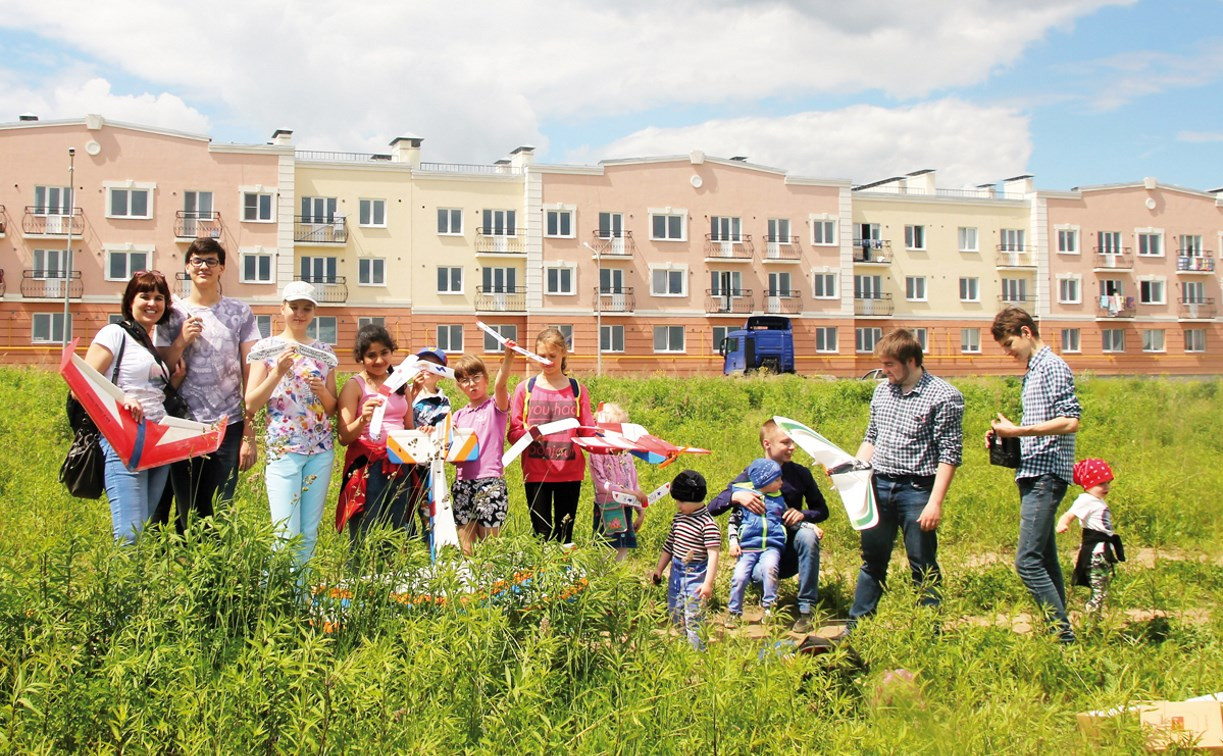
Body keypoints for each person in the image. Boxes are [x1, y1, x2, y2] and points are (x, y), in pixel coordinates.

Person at [848, 329, 964, 629]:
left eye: (889, 365)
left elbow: (949, 455)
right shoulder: (882, 392)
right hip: (879, 485)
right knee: (872, 560)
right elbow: (872, 436)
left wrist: (935, 503)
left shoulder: (944, 396)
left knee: (922, 563)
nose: (883, 371)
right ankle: (858, 628)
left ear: (911, 361)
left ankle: (928, 631)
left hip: (917, 490)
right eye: (882, 364)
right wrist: (853, 468)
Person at [989, 307, 1082, 643]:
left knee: (1027, 562)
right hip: (1033, 471)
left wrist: (1020, 431)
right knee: (1044, 558)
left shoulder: (1052, 366)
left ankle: (1064, 637)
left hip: (1046, 474)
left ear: (1026, 332)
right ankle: (1060, 635)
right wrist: (1006, 437)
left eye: (1009, 343)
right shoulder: (1034, 370)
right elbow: (1041, 426)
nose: (1008, 351)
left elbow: (1070, 420)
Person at [157, 238, 260, 532]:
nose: (204, 266)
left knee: (220, 507)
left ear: (222, 268)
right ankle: (185, 572)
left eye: (211, 261)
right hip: (182, 424)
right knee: (184, 507)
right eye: (197, 261)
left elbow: (251, 370)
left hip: (228, 426)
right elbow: (161, 372)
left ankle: (216, 575)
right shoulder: (172, 314)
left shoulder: (240, 312)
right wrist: (181, 341)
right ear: (188, 267)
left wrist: (249, 433)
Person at [244, 282, 337, 569]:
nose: (299, 313)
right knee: (284, 532)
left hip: (320, 449)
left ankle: (301, 599)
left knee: (308, 533)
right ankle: (276, 600)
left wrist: (321, 389)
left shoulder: (323, 351)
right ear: (282, 309)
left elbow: (331, 407)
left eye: (306, 308)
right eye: (294, 307)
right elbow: (250, 403)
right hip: (284, 448)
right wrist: (278, 373)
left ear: (314, 313)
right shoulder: (266, 349)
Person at [709, 419, 828, 634]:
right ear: (767, 444)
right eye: (785, 442)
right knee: (756, 571)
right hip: (757, 555)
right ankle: (750, 603)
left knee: (808, 537)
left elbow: (822, 510)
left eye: (793, 442)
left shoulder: (801, 474)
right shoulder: (751, 476)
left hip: (788, 549)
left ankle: (806, 609)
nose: (792, 447)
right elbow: (713, 507)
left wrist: (803, 514)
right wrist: (736, 496)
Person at [84, 270, 177, 543]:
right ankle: (122, 587)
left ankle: (137, 586)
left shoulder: (149, 344)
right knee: (129, 534)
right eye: (145, 296)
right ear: (130, 301)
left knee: (143, 530)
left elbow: (152, 391)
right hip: (124, 439)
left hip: (158, 440)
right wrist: (121, 398)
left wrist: (177, 373)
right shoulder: (114, 333)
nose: (152, 303)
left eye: (159, 298)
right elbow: (82, 384)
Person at [508, 327, 594, 544]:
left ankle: (565, 577)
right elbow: (513, 433)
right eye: (541, 356)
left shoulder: (578, 390)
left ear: (564, 353)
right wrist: (527, 435)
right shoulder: (525, 389)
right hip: (536, 473)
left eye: (552, 356)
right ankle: (542, 577)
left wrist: (608, 440)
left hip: (570, 473)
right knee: (541, 536)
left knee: (566, 536)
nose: (547, 361)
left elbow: (587, 432)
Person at [336, 324, 419, 548]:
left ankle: (395, 576)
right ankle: (362, 576)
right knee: (366, 524)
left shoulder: (401, 384)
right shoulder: (354, 386)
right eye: (371, 355)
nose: (379, 360)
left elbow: (409, 425)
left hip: (399, 463)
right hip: (367, 466)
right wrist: (363, 418)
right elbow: (343, 436)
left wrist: (424, 436)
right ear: (361, 358)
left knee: (399, 524)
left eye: (384, 353)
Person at [450, 345, 515, 555]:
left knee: (490, 546)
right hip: (462, 483)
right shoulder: (458, 416)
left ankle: (491, 585)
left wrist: (507, 358)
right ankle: (469, 585)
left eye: (476, 377)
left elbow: (501, 383)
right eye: (465, 380)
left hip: (490, 482)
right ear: (459, 386)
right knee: (465, 545)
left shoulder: (496, 406)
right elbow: (453, 457)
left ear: (486, 378)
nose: (472, 384)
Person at [651, 470, 720, 650]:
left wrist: (708, 584)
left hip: (695, 574)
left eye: (681, 501)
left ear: (694, 499)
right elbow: (669, 545)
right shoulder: (679, 518)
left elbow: (713, 555)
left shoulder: (708, 524)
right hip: (676, 571)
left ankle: (698, 651)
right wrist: (659, 568)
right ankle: (683, 647)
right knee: (675, 610)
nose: (678, 505)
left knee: (694, 615)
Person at [1057, 458, 1125, 613]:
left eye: (1108, 483)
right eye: (1101, 483)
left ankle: (1094, 618)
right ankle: (1092, 620)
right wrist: (1063, 523)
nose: (1106, 487)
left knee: (1103, 587)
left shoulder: (1097, 501)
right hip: (1095, 553)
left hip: (1103, 552)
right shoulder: (1086, 500)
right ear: (1088, 484)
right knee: (1099, 589)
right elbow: (1069, 515)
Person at [725, 458, 787, 625]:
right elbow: (733, 522)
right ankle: (734, 612)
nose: (782, 482)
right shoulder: (746, 500)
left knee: (770, 568)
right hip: (747, 547)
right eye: (777, 479)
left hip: (771, 546)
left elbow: (790, 518)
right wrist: (733, 542)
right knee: (739, 577)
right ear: (764, 481)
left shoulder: (779, 500)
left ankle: (769, 608)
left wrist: (810, 526)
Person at [587, 402, 648, 562]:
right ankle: (600, 579)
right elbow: (601, 484)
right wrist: (628, 492)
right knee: (604, 549)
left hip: (626, 507)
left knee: (623, 547)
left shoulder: (626, 455)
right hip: (606, 507)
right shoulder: (597, 453)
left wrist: (640, 510)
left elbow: (634, 484)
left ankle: (618, 581)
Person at [407, 346, 452, 539]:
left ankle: (430, 550)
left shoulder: (442, 400)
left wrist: (434, 430)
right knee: (403, 512)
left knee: (429, 512)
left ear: (441, 373)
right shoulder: (405, 393)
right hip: (404, 462)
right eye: (422, 363)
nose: (426, 368)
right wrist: (413, 392)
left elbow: (445, 427)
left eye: (433, 365)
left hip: (428, 465)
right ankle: (404, 554)